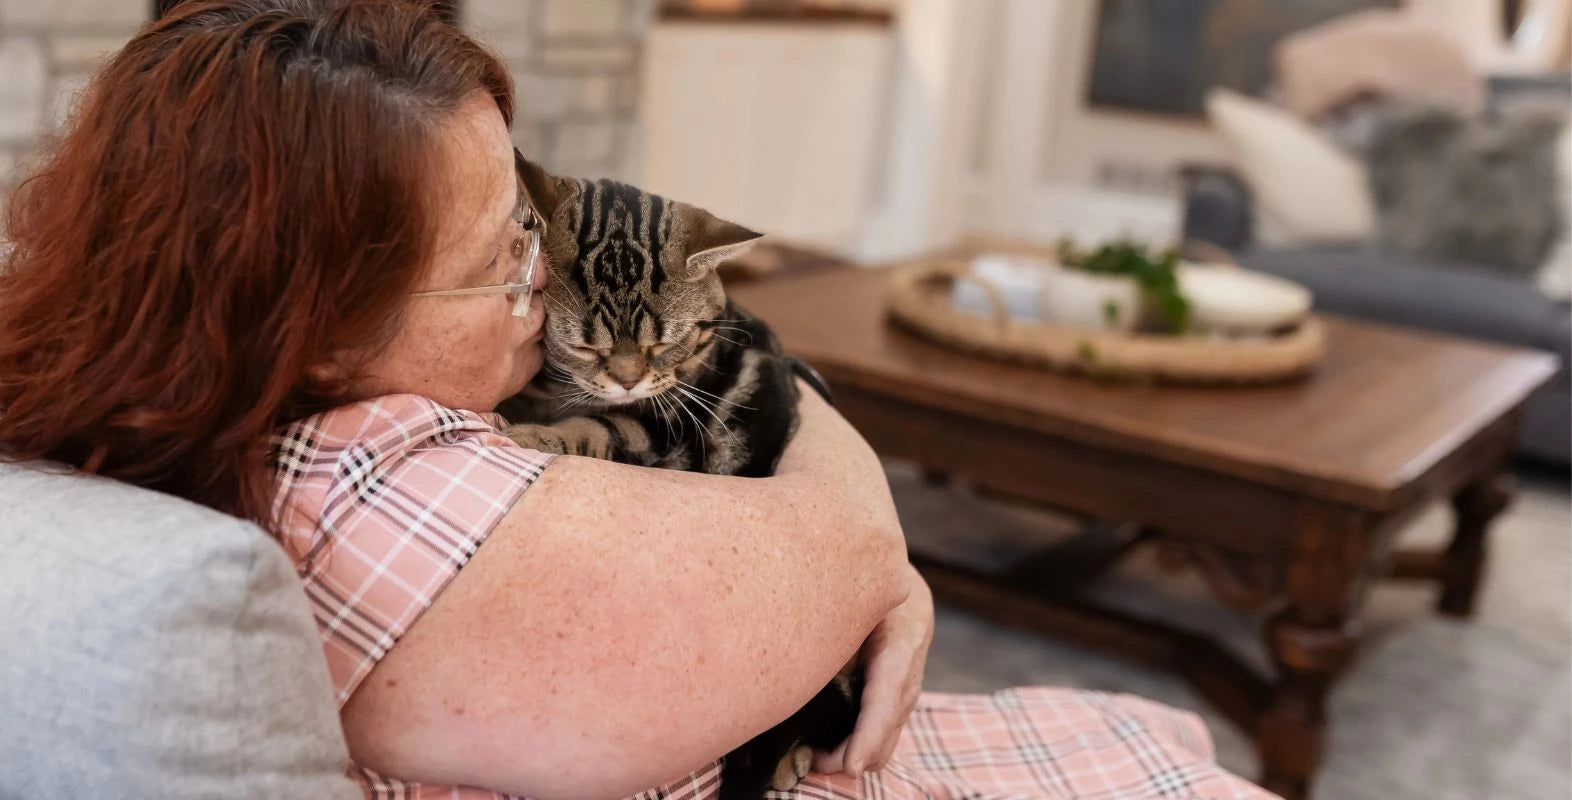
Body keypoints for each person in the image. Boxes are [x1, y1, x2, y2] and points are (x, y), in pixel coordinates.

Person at [0, 2, 1274, 798]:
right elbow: (841, 549)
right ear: (320, 331)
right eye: (501, 258)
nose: (538, 281)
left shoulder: (137, 383)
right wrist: (837, 465)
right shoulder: (365, 479)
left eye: (529, 227)